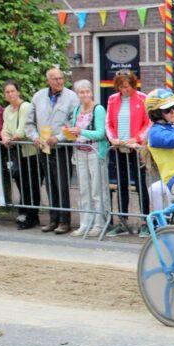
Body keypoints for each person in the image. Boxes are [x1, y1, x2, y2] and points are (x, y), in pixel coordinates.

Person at [25, 68, 80, 234]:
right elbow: (29, 123)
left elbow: (74, 122)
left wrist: (59, 137)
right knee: (49, 185)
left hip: (61, 147)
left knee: (62, 184)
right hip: (43, 147)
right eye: (55, 79)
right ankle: (53, 219)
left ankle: (65, 221)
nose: (59, 82)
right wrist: (34, 137)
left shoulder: (71, 97)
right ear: (48, 80)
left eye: (61, 78)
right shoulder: (38, 96)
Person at [105, 70, 151, 238]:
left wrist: (136, 139)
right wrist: (113, 139)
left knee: (140, 185)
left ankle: (145, 222)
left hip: (135, 148)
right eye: (121, 87)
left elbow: (148, 123)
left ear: (133, 84)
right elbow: (108, 123)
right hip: (119, 148)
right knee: (121, 184)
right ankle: (123, 221)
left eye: (128, 86)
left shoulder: (142, 98)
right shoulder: (112, 100)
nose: (125, 90)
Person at [66, 80, 109, 237]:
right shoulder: (77, 109)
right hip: (80, 151)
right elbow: (75, 130)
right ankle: (85, 223)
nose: (84, 95)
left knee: (97, 190)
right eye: (81, 92)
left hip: (95, 151)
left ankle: (99, 223)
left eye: (87, 91)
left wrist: (81, 131)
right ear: (77, 94)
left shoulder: (98, 109)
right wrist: (70, 131)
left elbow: (100, 133)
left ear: (91, 92)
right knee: (83, 189)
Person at [0, 80, 42, 230]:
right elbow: (4, 128)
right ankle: (26, 213)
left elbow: (23, 129)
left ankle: (32, 216)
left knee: (31, 185)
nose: (10, 94)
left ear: (18, 92)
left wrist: (12, 139)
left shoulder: (25, 107)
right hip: (16, 153)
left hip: (29, 153)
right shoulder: (7, 110)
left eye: (12, 91)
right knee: (21, 185)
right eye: (7, 92)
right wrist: (5, 137)